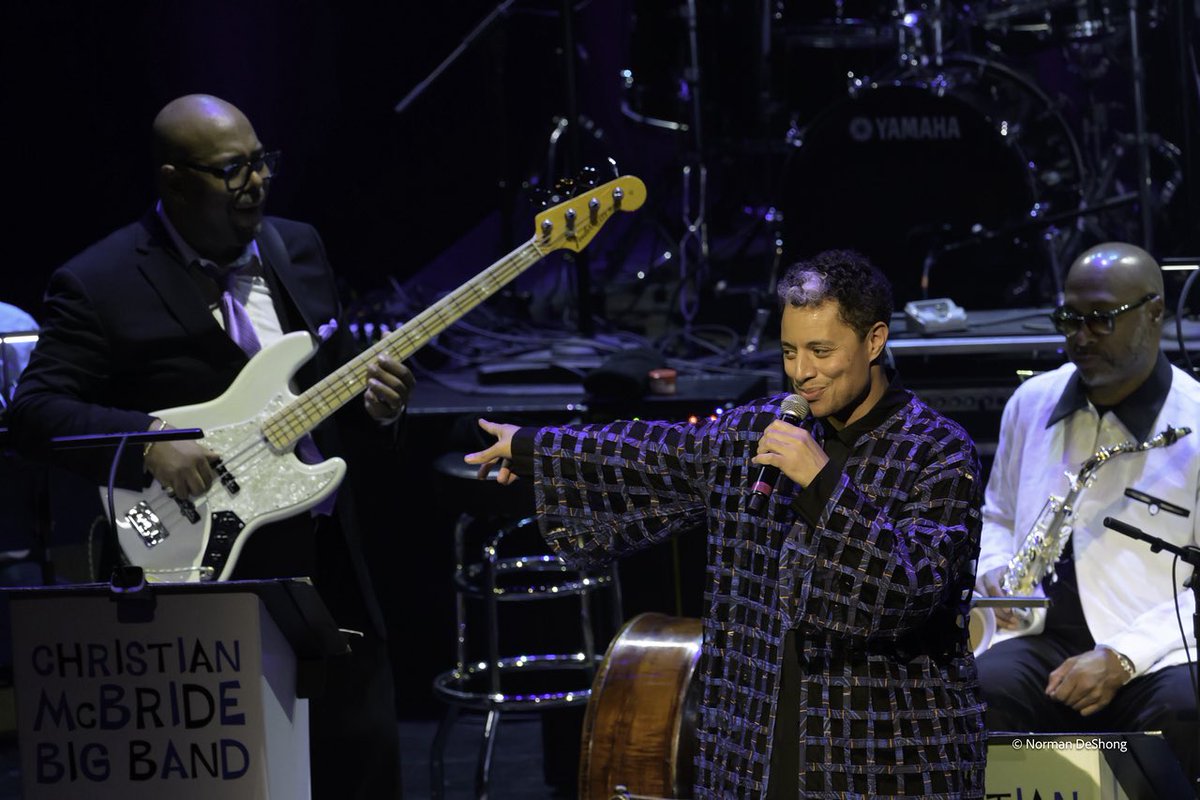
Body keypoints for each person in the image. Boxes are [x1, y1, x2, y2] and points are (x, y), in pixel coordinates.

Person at [467, 250, 987, 798]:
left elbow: (903, 593)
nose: (801, 372)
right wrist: (534, 449)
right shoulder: (758, 432)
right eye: (789, 351)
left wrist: (824, 483)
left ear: (874, 341)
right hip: (756, 750)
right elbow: (655, 457)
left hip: (889, 756)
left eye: (820, 351)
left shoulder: (939, 451)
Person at [9, 94, 413, 799]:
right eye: (232, 170)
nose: (255, 182)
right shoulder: (98, 281)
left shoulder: (300, 247)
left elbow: (316, 400)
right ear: (173, 180)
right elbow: (35, 412)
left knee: (361, 764)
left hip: (327, 560)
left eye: (261, 162)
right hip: (208, 571)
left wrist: (380, 409)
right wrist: (146, 442)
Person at [975, 242, 1200, 791]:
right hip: (1039, 634)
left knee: (1184, 710)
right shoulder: (1031, 401)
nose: (1079, 335)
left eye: (1100, 320)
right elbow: (998, 513)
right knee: (978, 693)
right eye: (1070, 318)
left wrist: (1125, 657)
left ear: (1154, 313)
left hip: (1159, 645)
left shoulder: (1196, 421)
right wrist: (996, 569)